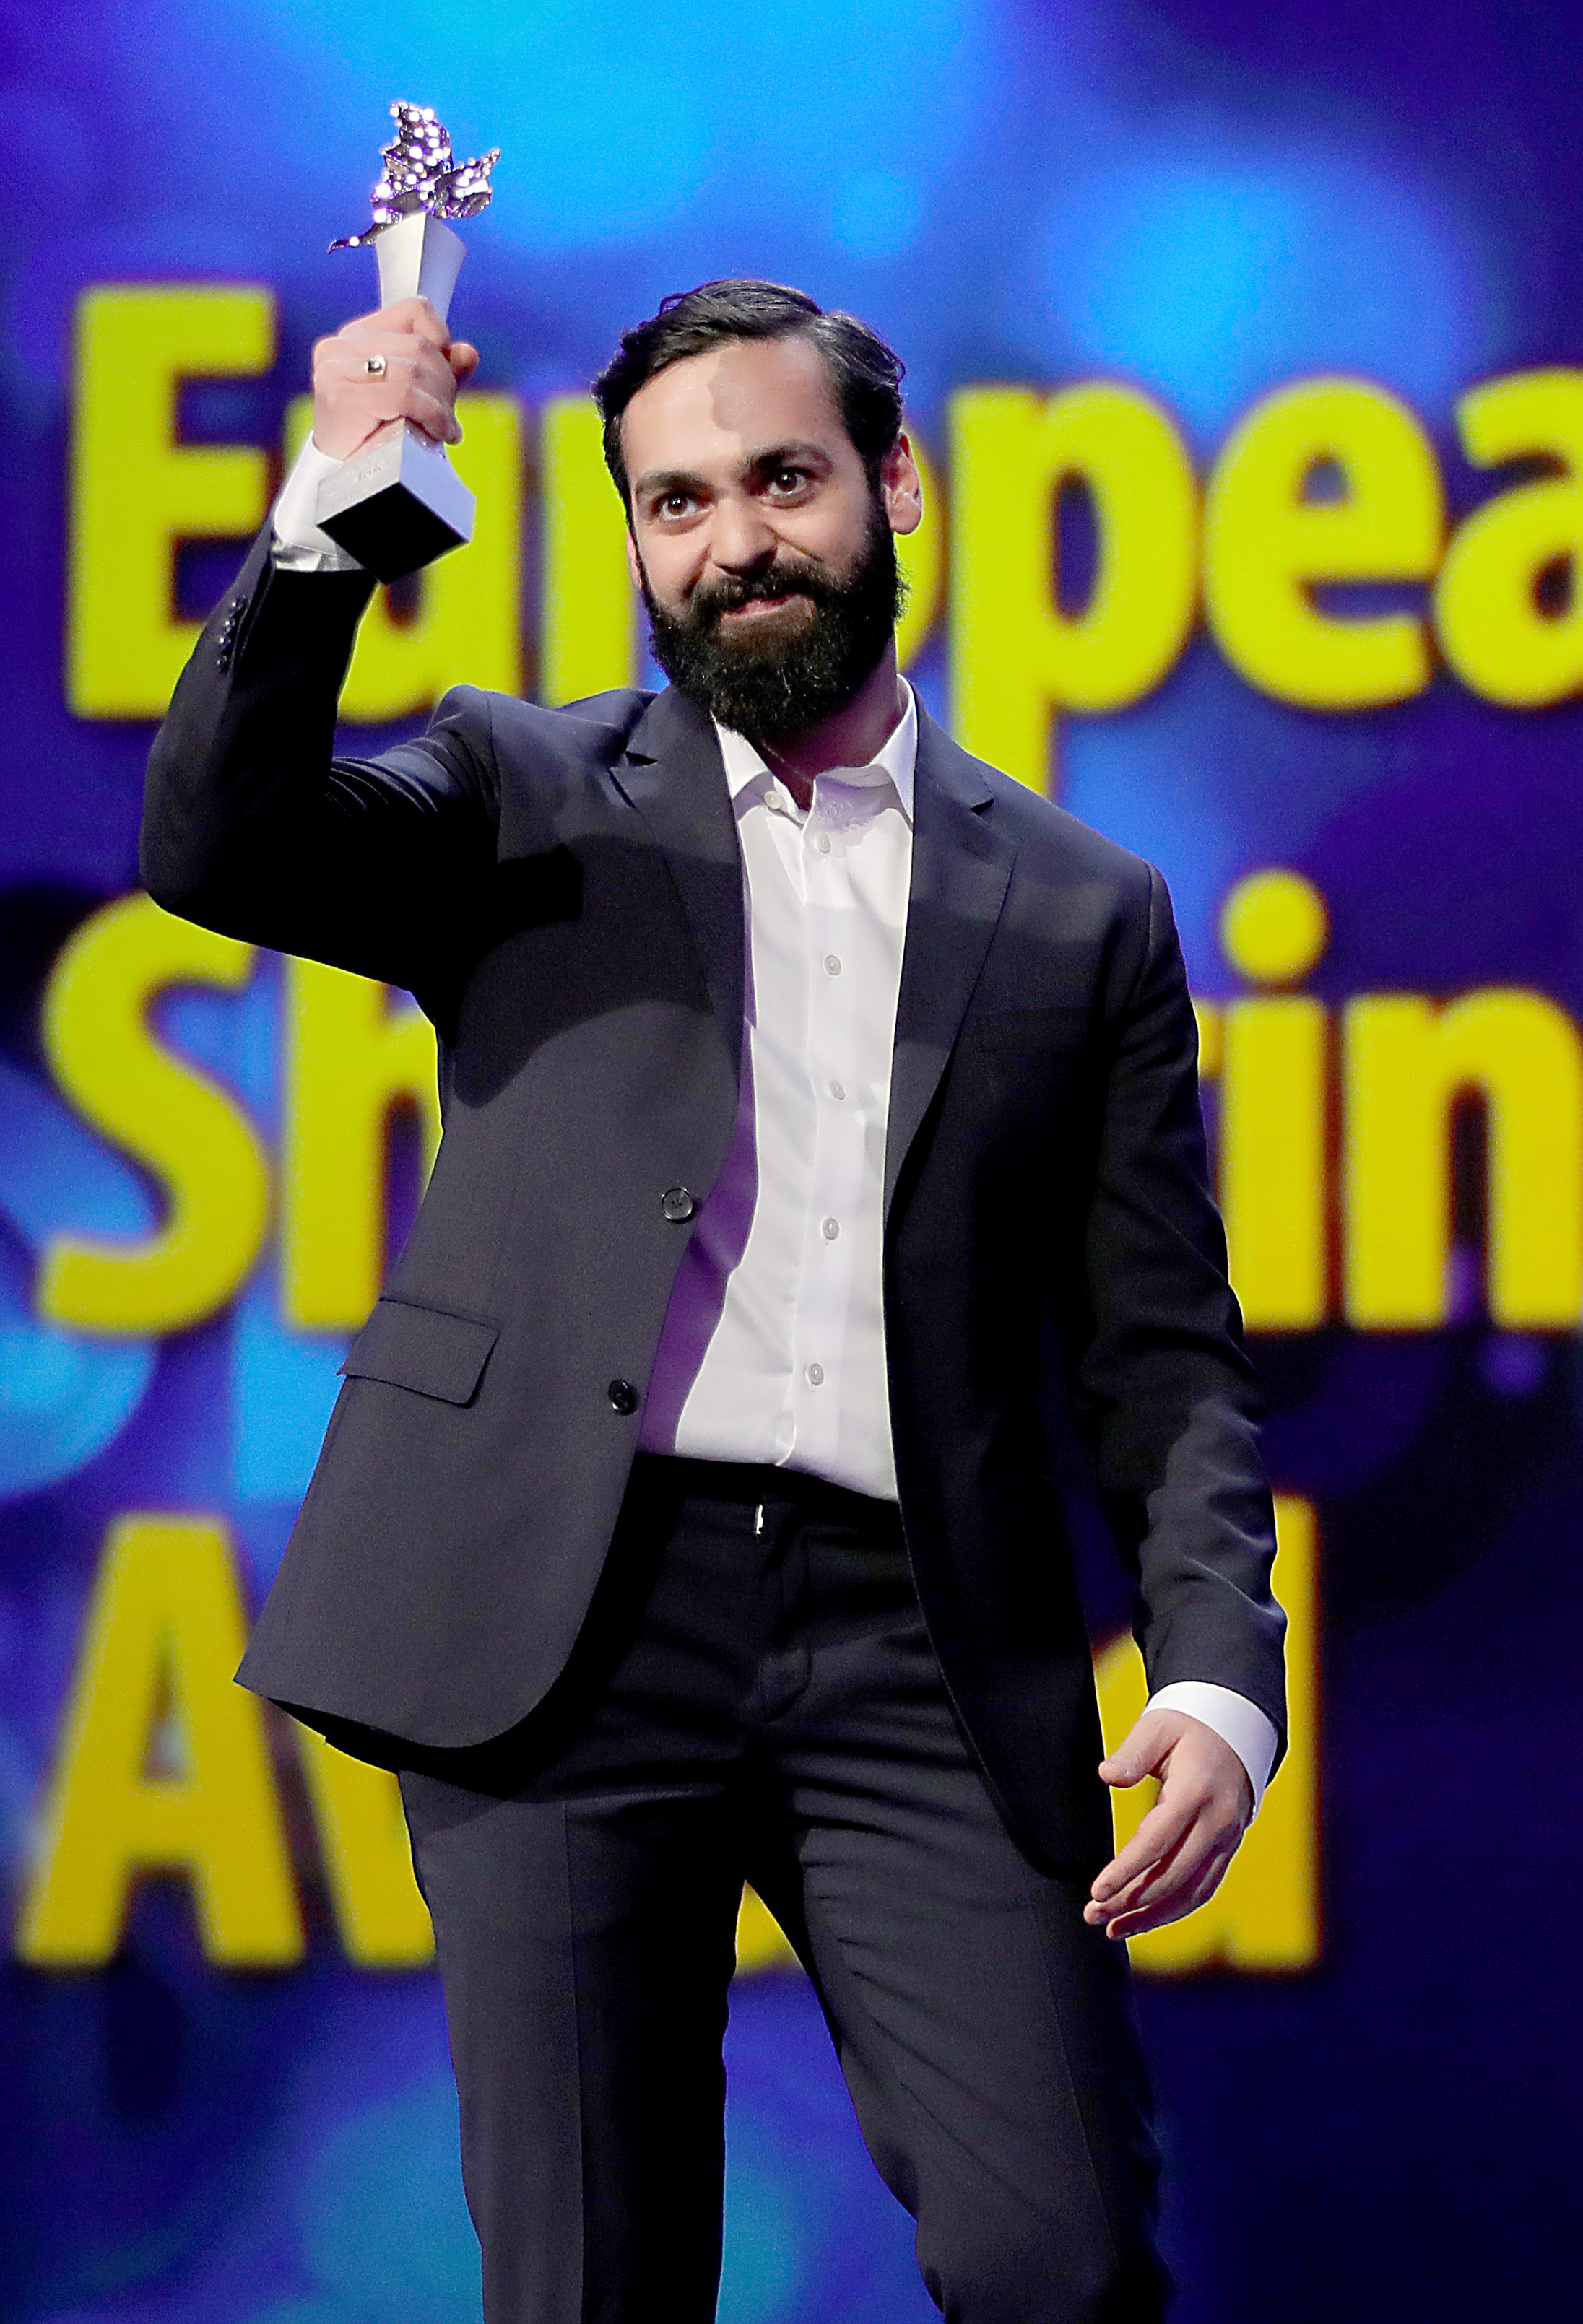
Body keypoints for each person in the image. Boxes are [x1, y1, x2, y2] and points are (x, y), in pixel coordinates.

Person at [142, 276, 1284, 2323]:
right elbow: (219, 844)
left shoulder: (1082, 906)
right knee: (593, 2286)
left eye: (778, 480)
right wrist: (340, 502)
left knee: (1066, 2260)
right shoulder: (520, 792)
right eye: (673, 507)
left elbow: (1159, 1353)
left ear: (896, 485)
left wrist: (1212, 1670)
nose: (732, 542)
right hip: (563, 1625)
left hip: (920, 1645)